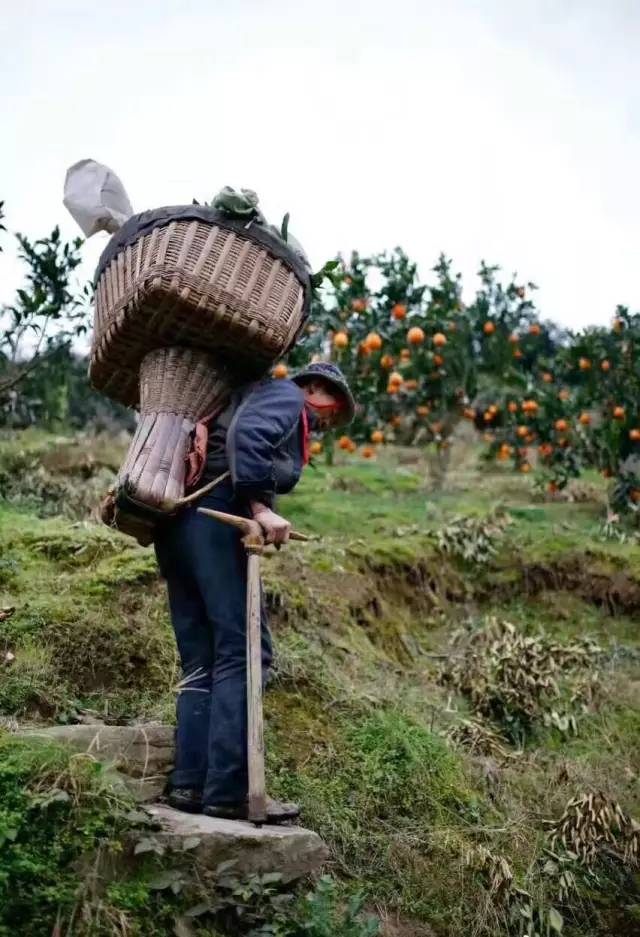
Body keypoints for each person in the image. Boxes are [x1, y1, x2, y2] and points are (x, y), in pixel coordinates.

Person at [154, 362, 355, 822]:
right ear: (317, 388)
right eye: (333, 408)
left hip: (179, 524)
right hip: (216, 516)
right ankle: (227, 792)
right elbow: (250, 436)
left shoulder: (248, 394)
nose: (329, 421)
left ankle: (189, 785)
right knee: (243, 653)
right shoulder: (286, 396)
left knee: (202, 658)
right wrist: (261, 508)